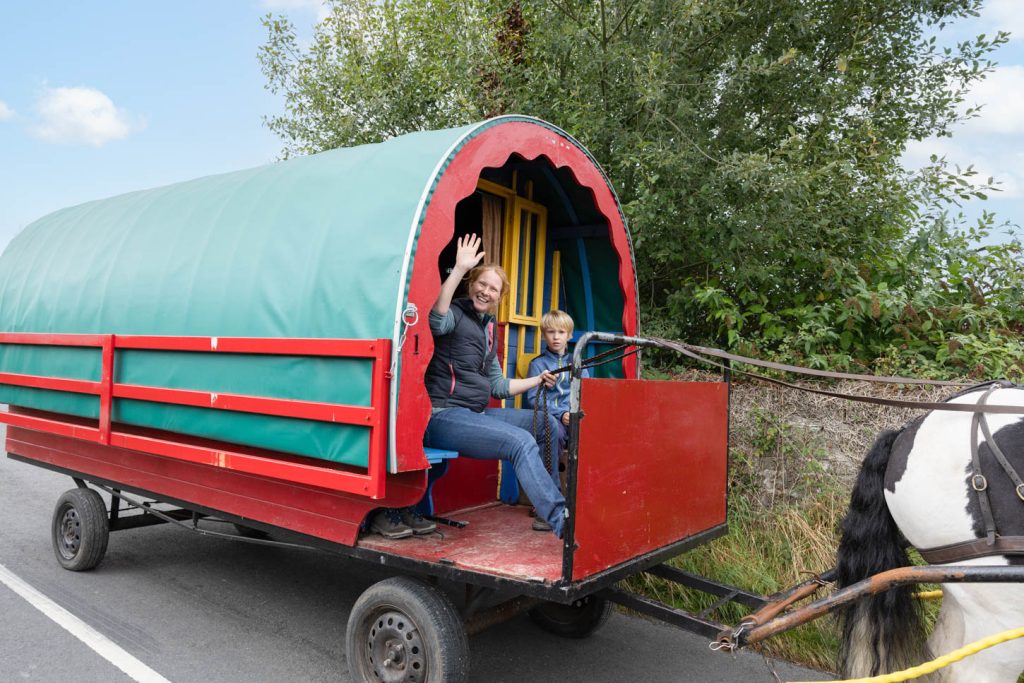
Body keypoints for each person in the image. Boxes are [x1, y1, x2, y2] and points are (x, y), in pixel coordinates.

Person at [416, 233, 566, 537]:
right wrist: (458, 269)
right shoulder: (455, 314)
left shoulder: (489, 332)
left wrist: (538, 379)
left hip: (475, 413)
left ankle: (546, 506)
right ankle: (563, 521)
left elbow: (498, 386)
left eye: (493, 288)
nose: (486, 291)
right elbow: (435, 321)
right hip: (442, 415)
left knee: (546, 424)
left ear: (500, 297)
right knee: (519, 442)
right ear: (471, 286)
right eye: (481, 284)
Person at [525, 309, 589, 453]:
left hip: (575, 416)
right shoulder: (537, 364)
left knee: (590, 433)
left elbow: (588, 393)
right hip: (551, 417)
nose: (556, 337)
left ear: (569, 335)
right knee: (555, 434)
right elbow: (533, 398)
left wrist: (574, 413)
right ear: (543, 336)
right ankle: (551, 473)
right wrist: (561, 414)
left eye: (561, 332)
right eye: (550, 332)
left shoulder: (578, 363)